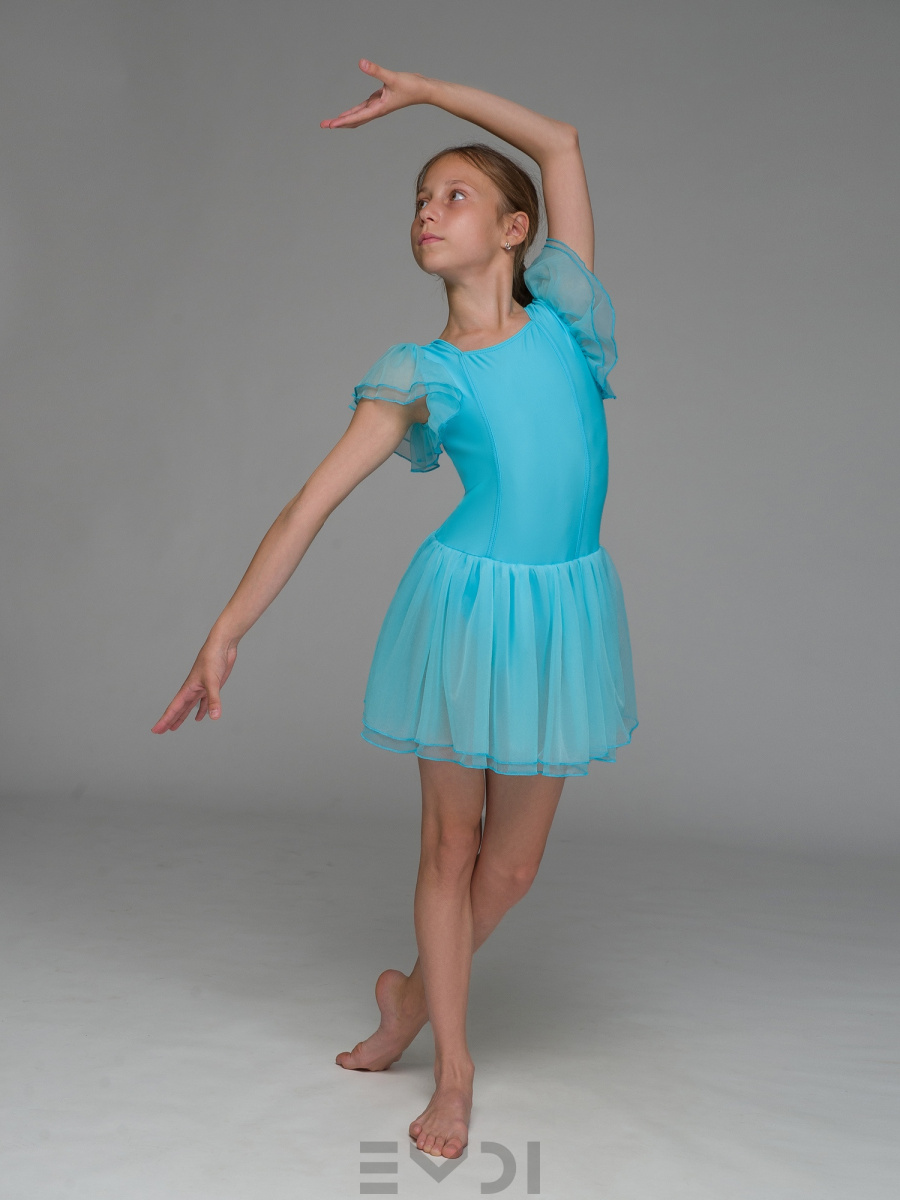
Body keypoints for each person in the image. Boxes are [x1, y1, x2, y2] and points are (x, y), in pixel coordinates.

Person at [152, 59, 638, 1160]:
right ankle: (452, 1072)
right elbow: (309, 504)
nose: (428, 209)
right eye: (420, 198)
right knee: (452, 845)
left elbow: (559, 139)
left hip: (560, 612)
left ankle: (410, 1000)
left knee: (512, 869)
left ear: (515, 231)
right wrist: (225, 629)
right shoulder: (422, 371)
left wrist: (426, 92)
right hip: (466, 608)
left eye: (454, 195)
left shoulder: (566, 321)